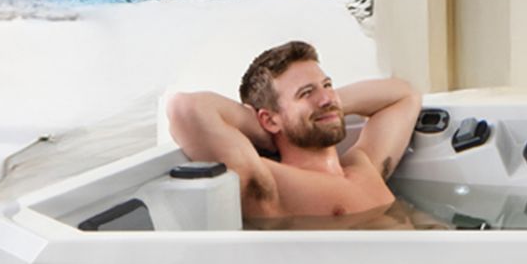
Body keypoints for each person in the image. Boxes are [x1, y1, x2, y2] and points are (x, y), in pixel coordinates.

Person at [164, 41, 420, 220]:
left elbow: (405, 95)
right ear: (269, 120)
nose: (325, 98)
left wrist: (327, 105)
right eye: (306, 93)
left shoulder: (363, 164)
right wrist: (269, 124)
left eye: (327, 85)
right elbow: (185, 108)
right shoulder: (270, 183)